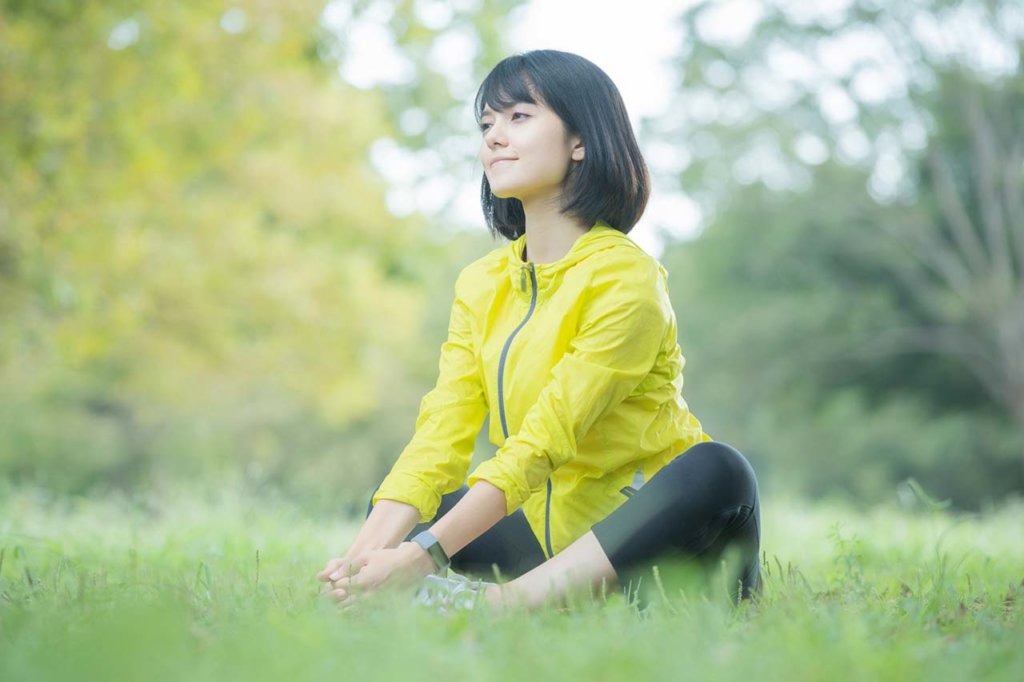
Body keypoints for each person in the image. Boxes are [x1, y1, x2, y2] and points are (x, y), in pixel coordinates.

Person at [316, 49, 761, 611]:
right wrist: (358, 566)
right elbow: (441, 431)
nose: (494, 138)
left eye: (518, 117)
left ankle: (499, 608)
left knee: (720, 469)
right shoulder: (481, 284)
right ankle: (505, 599)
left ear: (580, 141)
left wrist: (423, 556)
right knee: (412, 511)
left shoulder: (626, 277)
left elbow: (544, 441)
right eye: (486, 124)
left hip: (659, 545)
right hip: (553, 543)